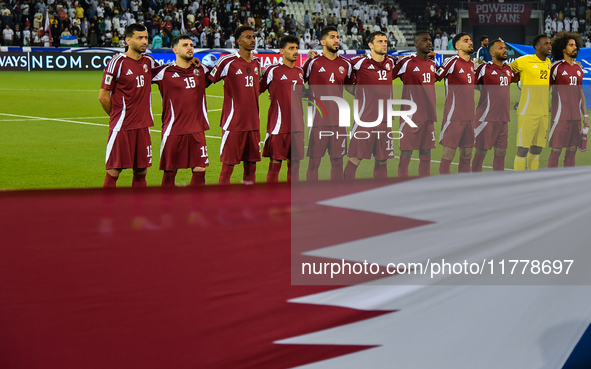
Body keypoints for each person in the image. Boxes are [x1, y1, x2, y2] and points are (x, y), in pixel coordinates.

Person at [99, 24, 156, 188]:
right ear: (128, 40)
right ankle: (106, 211)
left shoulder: (148, 62)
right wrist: (116, 115)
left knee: (141, 172)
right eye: (140, 38)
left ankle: (138, 211)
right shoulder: (117, 62)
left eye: (146, 37)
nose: (144, 41)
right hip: (122, 127)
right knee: (114, 171)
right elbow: (103, 97)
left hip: (143, 127)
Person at [152, 35, 212, 187]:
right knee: (170, 172)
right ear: (175, 50)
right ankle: (167, 207)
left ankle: (196, 207)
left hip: (197, 129)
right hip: (173, 129)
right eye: (185, 45)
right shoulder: (163, 72)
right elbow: (138, 77)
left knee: (200, 170)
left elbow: (224, 75)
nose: (190, 47)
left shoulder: (201, 69)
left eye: (191, 44)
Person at [208, 25, 261, 185]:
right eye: (248, 37)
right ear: (239, 41)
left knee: (251, 166)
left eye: (253, 37)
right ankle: (224, 205)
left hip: (253, 124)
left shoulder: (257, 62)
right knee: (228, 167)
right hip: (233, 124)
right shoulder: (227, 61)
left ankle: (249, 203)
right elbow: (207, 80)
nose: (252, 40)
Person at [302, 26, 354, 181]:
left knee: (337, 162)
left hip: (339, 120)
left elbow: (350, 86)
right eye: (332, 37)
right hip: (318, 121)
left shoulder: (346, 64)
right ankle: (312, 199)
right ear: (323, 42)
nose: (337, 40)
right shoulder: (313, 63)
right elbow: (297, 84)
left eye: (337, 37)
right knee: (314, 163)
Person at [344, 31, 396, 179]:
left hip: (385, 120)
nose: (384, 44)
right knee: (355, 158)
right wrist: (359, 94)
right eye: (380, 41)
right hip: (365, 120)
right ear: (370, 45)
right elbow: (342, 77)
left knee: (382, 160)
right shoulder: (359, 63)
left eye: (385, 41)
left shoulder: (391, 62)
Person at [260, 35, 305, 183]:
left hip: (297, 126)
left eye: (296, 48)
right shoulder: (272, 70)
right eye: (291, 48)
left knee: (295, 165)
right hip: (278, 126)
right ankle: (272, 199)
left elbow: (301, 94)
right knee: (275, 164)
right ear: (281, 51)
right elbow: (255, 90)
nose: (295, 51)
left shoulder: (300, 72)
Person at [394, 31, 438, 177]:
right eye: (425, 40)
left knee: (426, 154)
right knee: (406, 154)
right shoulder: (406, 63)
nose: (429, 42)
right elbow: (387, 70)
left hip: (428, 116)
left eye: (430, 40)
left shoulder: (432, 64)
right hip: (410, 116)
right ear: (416, 44)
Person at [472, 40, 518, 172]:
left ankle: (497, 183)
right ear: (492, 53)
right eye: (501, 48)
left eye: (505, 48)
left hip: (503, 119)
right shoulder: (484, 68)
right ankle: (473, 183)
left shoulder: (508, 69)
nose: (505, 50)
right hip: (486, 118)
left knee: (501, 154)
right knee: (481, 153)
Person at [509, 34, 552, 171]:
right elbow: (505, 70)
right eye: (546, 44)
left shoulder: (548, 62)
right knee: (523, 148)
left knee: (537, 148)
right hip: (527, 111)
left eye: (550, 43)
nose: (549, 46)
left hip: (544, 112)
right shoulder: (525, 60)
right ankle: (519, 181)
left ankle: (533, 179)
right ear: (537, 47)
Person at [435, 32, 475, 174]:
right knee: (448, 156)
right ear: (457, 46)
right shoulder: (451, 62)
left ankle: (463, 188)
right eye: (466, 40)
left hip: (470, 117)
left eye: (470, 39)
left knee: (467, 156)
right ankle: (444, 188)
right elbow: (434, 76)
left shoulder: (472, 64)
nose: (470, 42)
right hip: (454, 116)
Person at [548, 32, 588, 168]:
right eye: (571, 45)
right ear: (563, 49)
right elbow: (545, 88)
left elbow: (580, 92)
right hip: (560, 116)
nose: (574, 47)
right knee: (556, 150)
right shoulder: (555, 67)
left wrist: (586, 115)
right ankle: (551, 182)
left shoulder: (579, 69)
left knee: (572, 150)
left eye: (575, 45)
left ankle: (567, 183)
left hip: (576, 117)